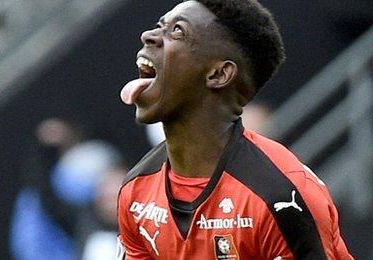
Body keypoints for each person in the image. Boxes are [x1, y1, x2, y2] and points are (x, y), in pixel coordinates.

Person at [116, 0, 353, 259]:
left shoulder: (281, 198)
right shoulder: (136, 192)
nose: (148, 36)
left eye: (177, 31)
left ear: (218, 74)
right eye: (159, 26)